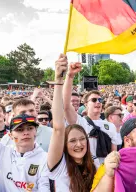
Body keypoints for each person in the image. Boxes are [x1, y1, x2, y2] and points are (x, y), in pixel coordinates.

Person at [48, 55, 98, 191]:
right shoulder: (59, 165)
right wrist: (60, 79)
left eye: (82, 139)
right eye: (72, 141)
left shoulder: (95, 163)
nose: (79, 144)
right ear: (64, 144)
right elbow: (58, 127)